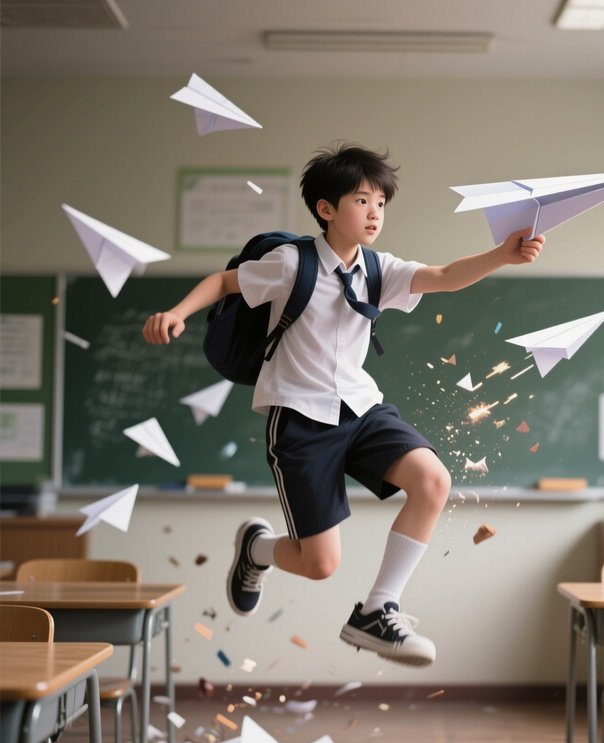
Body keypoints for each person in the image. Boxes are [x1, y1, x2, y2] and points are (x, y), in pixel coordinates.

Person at [142, 142, 545, 667]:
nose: (375, 212)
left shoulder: (380, 269)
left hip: (360, 409)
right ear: (326, 209)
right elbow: (224, 282)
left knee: (433, 481)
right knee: (319, 565)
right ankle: (257, 549)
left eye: (381, 202)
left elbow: (445, 277)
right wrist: (176, 312)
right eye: (362, 200)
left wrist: (504, 255)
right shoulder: (290, 263)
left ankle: (377, 610)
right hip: (300, 420)